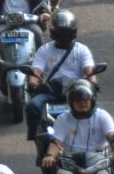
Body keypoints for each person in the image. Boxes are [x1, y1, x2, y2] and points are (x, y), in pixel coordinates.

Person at [25, 10, 97, 140]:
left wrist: (93, 82)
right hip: (50, 93)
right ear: (54, 33)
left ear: (73, 33)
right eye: (60, 33)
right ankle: (34, 135)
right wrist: (33, 82)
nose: (63, 37)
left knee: (96, 110)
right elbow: (36, 71)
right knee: (32, 106)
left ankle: (96, 141)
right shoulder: (44, 50)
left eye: (66, 33)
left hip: (77, 93)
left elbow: (89, 70)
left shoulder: (82, 50)